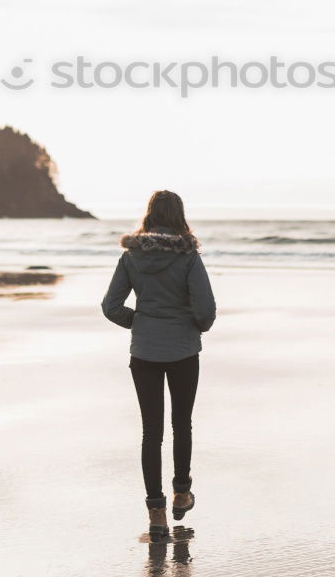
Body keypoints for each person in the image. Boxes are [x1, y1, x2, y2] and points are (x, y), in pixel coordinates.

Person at [101, 190, 217, 540]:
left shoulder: (131, 257)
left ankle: (157, 515)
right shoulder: (189, 258)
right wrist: (195, 325)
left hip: (145, 352)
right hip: (183, 350)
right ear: (179, 216)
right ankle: (182, 491)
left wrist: (139, 321)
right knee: (182, 423)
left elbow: (110, 306)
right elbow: (206, 311)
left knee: (151, 433)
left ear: (149, 215)